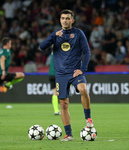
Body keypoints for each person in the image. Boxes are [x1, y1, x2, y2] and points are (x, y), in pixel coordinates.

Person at [40, 9, 94, 141]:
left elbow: (87, 52)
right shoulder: (55, 35)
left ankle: (88, 119)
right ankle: (68, 134)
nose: (65, 20)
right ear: (60, 20)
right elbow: (42, 47)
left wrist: (82, 69)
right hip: (61, 74)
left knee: (83, 89)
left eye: (68, 18)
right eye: (63, 18)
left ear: (72, 20)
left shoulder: (78, 33)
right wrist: (53, 37)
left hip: (75, 71)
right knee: (63, 104)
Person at [0, 37, 25, 115]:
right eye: (10, 43)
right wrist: (4, 71)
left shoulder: (0, 52)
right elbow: (2, 60)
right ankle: (8, 84)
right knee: (21, 75)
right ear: (7, 44)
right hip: (3, 73)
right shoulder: (6, 51)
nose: (11, 45)